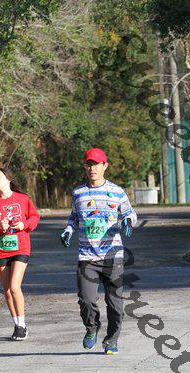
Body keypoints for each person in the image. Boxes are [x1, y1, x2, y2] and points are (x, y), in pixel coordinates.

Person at [60, 147, 137, 355]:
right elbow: (74, 218)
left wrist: (128, 221)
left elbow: (130, 213)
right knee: (86, 299)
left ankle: (111, 340)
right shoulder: (78, 193)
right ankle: (92, 327)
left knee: (115, 304)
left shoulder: (117, 191)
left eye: (96, 164)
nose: (92, 168)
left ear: (105, 166)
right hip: (87, 256)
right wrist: (68, 230)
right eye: (89, 164)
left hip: (113, 256)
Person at [0, 167, 40, 340]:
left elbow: (35, 217)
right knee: (6, 290)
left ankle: (23, 324)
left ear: (8, 179)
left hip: (21, 248)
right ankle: (17, 325)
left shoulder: (22, 199)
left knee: (14, 286)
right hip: (3, 249)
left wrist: (24, 225)